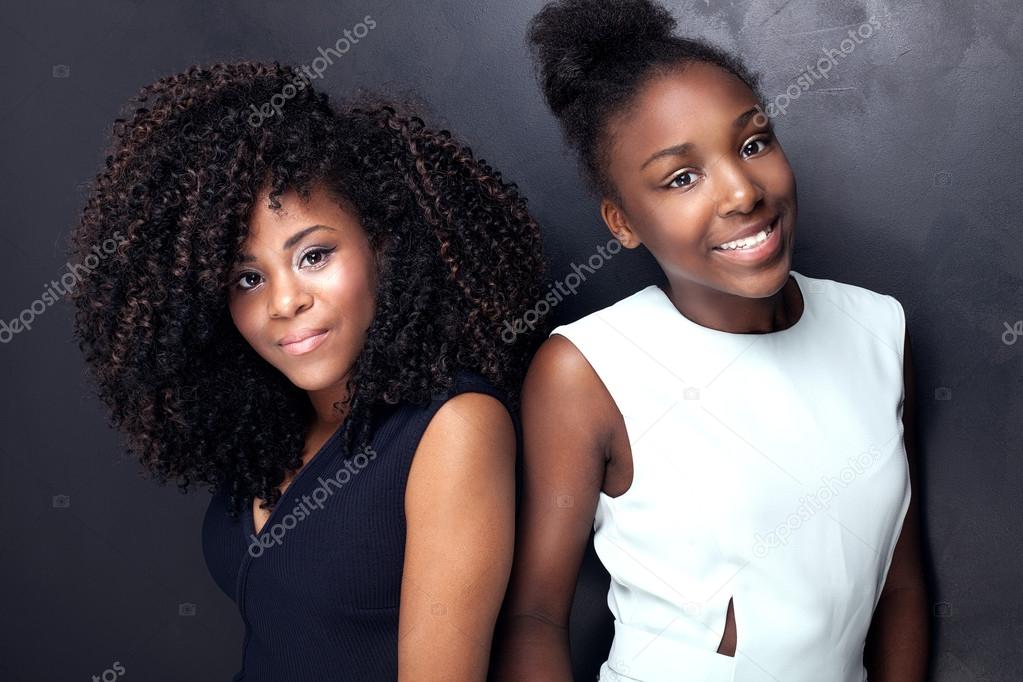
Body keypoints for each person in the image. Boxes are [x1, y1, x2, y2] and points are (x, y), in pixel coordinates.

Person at [491, 1, 929, 680]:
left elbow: (897, 589)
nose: (740, 192)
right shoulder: (587, 369)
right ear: (622, 221)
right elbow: (534, 617)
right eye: (681, 177)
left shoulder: (877, 330)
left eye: (753, 143)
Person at [68, 61, 547, 681]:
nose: (284, 301)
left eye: (314, 255)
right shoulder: (273, 425)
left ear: (382, 243)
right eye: (248, 278)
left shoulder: (453, 428)